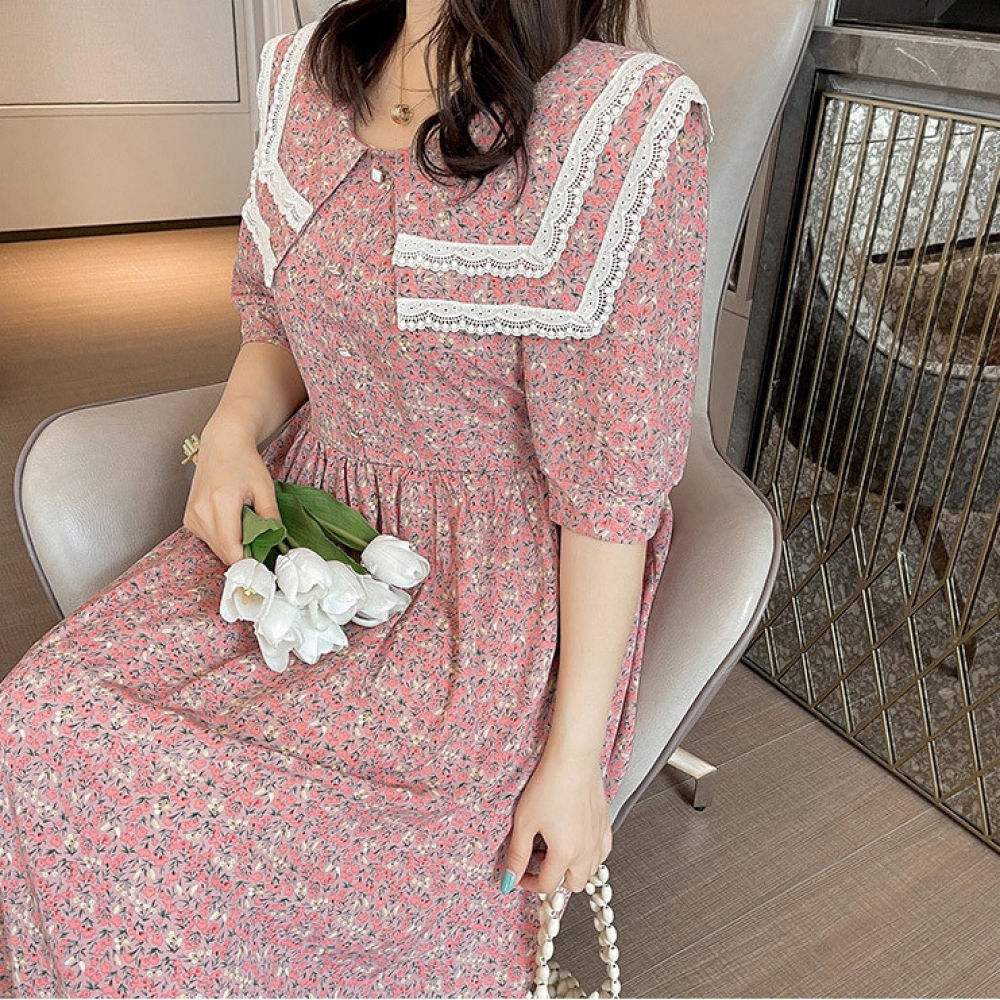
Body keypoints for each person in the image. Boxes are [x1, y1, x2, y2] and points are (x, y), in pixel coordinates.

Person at [0, 0, 709, 994]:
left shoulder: (625, 120)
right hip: (308, 515)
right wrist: (231, 433)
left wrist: (575, 757)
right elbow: (278, 321)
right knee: (43, 719)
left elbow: (608, 487)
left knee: (216, 827)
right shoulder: (304, 76)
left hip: (484, 600)